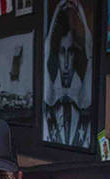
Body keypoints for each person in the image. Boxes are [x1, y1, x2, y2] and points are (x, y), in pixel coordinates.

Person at [44, 0, 93, 148]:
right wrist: (57, 10)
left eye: (70, 52)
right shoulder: (52, 92)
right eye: (61, 52)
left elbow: (91, 53)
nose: (65, 63)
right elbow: (45, 50)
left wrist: (81, 15)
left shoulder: (82, 92)